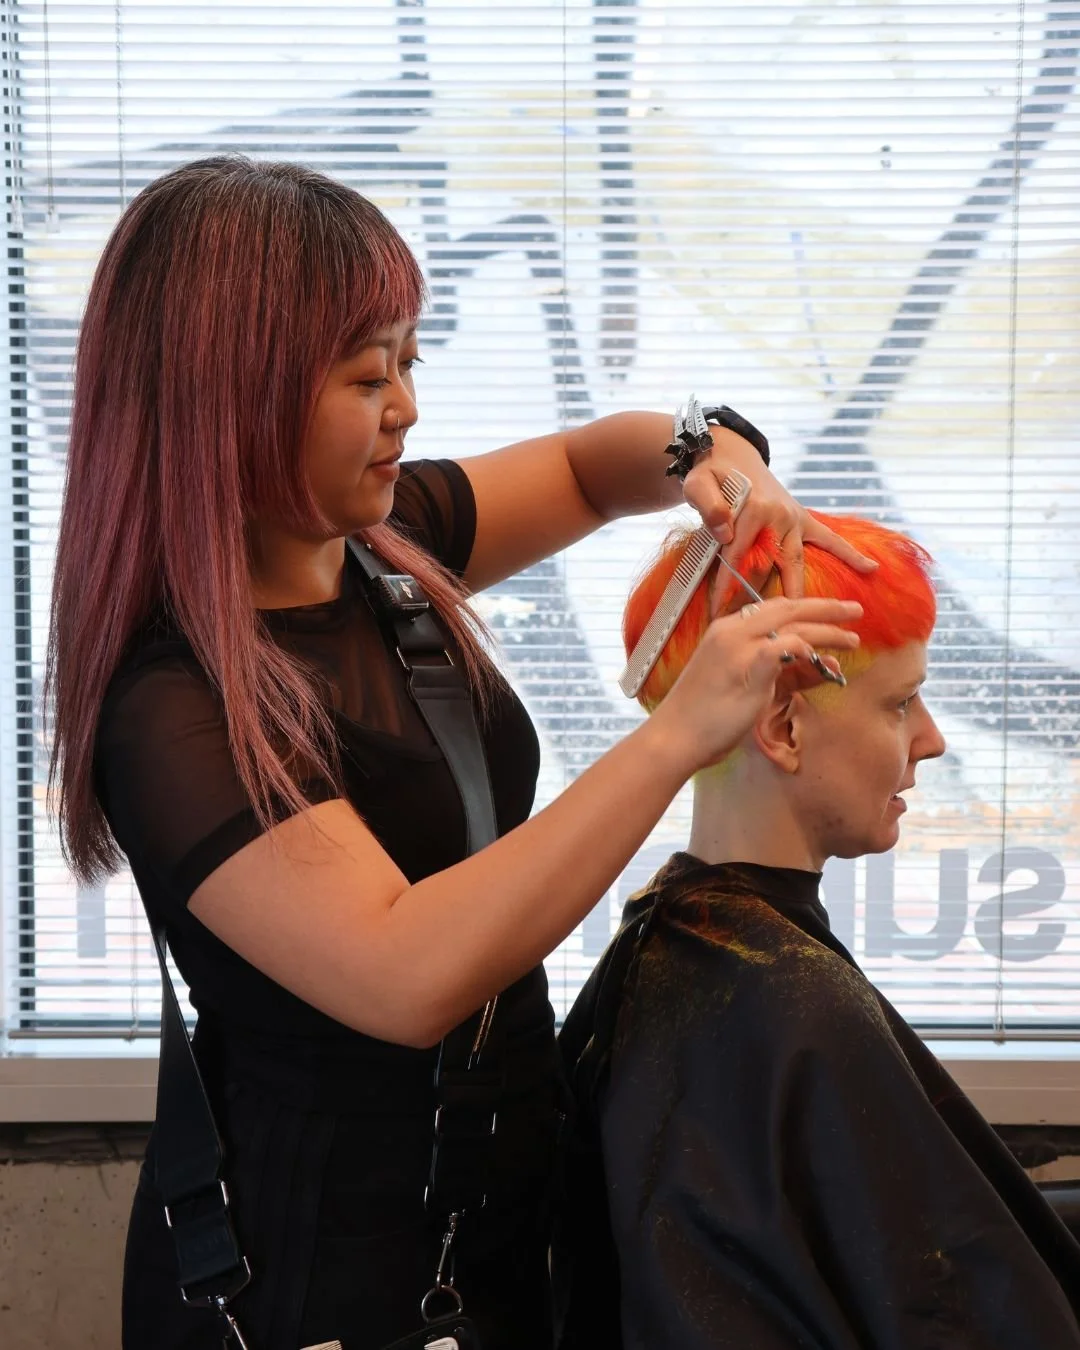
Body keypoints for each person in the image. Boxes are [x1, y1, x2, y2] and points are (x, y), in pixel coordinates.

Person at [45, 155, 867, 1350]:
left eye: (410, 362)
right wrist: (680, 734)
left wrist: (712, 453)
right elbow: (408, 972)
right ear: (233, 396)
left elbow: (591, 468)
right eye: (366, 375)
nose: (407, 408)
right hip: (316, 1276)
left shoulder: (388, 545)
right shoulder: (174, 704)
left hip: (489, 1220)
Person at [555, 513, 1080, 1350]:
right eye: (900, 703)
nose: (933, 739)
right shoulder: (780, 997)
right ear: (784, 729)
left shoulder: (690, 946)